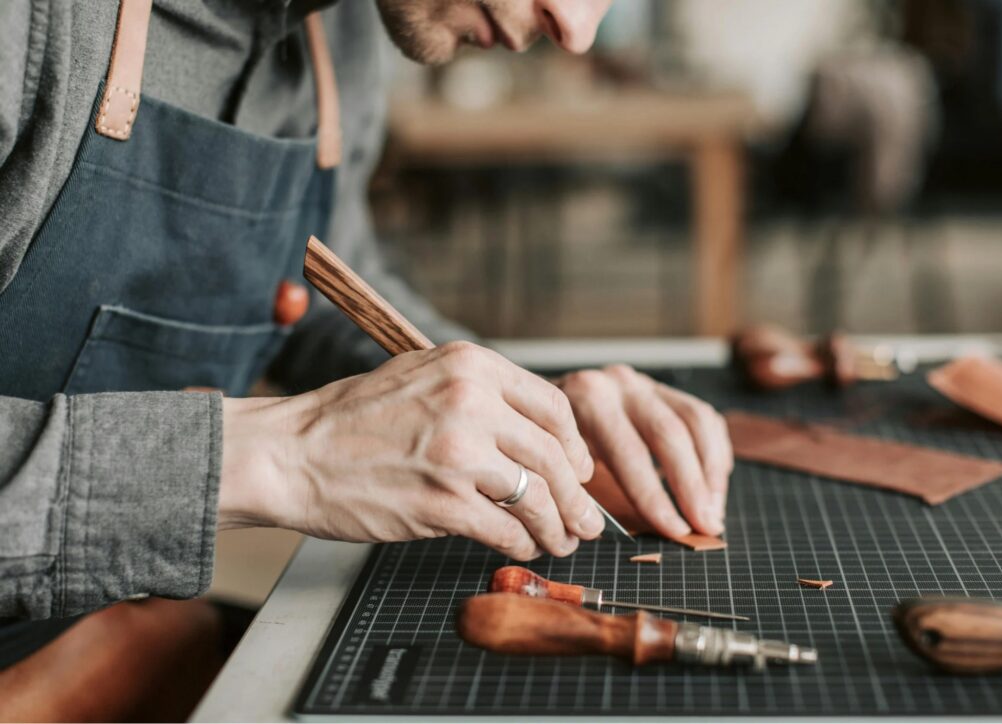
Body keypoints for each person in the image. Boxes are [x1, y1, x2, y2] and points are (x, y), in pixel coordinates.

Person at [0, 0, 733, 716]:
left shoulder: (337, 30)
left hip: (89, 627)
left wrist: (514, 411)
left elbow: (312, 289)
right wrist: (285, 459)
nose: (574, 29)